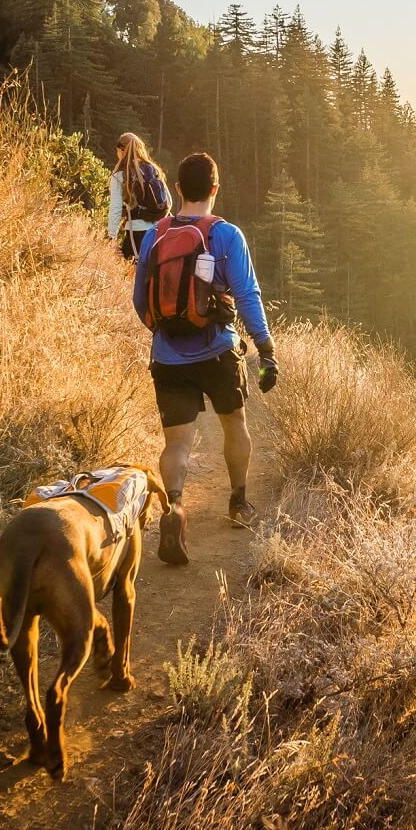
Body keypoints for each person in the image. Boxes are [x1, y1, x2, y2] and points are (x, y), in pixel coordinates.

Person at [132, 152, 277, 565]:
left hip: (167, 356)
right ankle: (237, 503)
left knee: (176, 442)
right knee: (235, 424)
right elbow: (248, 295)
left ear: (177, 189)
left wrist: (167, 330)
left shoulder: (155, 235)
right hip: (218, 352)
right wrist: (265, 349)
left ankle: (175, 507)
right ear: (215, 189)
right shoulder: (226, 235)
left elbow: (140, 299)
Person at [108, 132, 171, 259]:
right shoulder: (153, 169)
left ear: (121, 151)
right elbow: (168, 201)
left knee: (133, 274)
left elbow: (115, 208)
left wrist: (112, 238)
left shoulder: (120, 175)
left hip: (136, 233)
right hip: (159, 232)